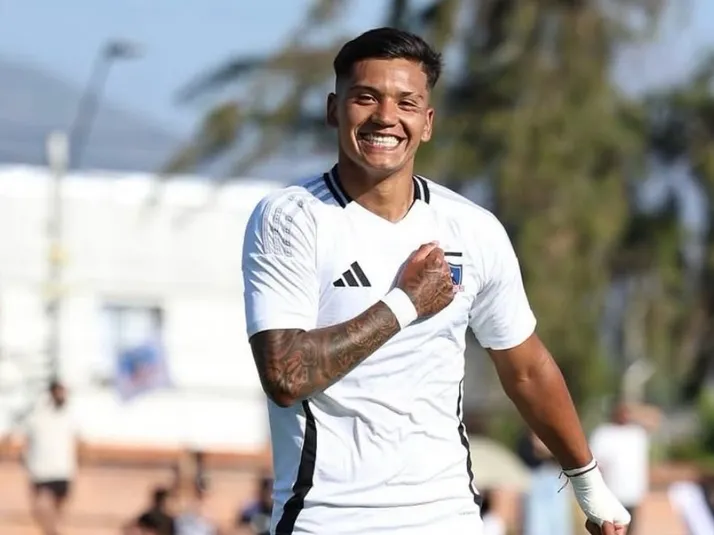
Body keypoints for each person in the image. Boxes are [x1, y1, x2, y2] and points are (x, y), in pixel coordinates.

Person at [242, 27, 631, 535]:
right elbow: (285, 376)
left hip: (449, 518)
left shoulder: (471, 227)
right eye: (366, 98)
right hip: (328, 521)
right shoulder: (290, 218)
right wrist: (405, 303)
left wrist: (588, 483)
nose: (386, 117)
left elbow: (526, 369)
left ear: (426, 123)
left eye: (406, 103)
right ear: (334, 110)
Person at [590, 402, 660, 533]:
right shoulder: (604, 433)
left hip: (633, 493)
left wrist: (634, 413)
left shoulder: (637, 433)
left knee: (631, 529)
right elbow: (595, 463)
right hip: (611, 494)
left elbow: (655, 419)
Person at [20, 379, 79, 535]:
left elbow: (78, 441)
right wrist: (25, 460)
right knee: (42, 508)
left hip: (63, 470)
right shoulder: (37, 416)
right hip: (41, 471)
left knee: (57, 510)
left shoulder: (69, 416)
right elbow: (26, 440)